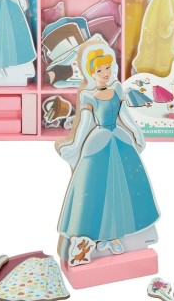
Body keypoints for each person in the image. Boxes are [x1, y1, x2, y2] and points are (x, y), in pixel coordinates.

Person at [56, 43, 159, 256]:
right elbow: (84, 123)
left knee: (123, 188)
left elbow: (124, 115)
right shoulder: (88, 95)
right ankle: (100, 238)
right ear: (91, 73)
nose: (105, 73)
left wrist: (136, 132)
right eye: (99, 70)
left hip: (119, 139)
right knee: (97, 188)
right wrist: (74, 145)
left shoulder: (117, 89)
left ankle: (116, 236)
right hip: (98, 141)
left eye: (108, 68)